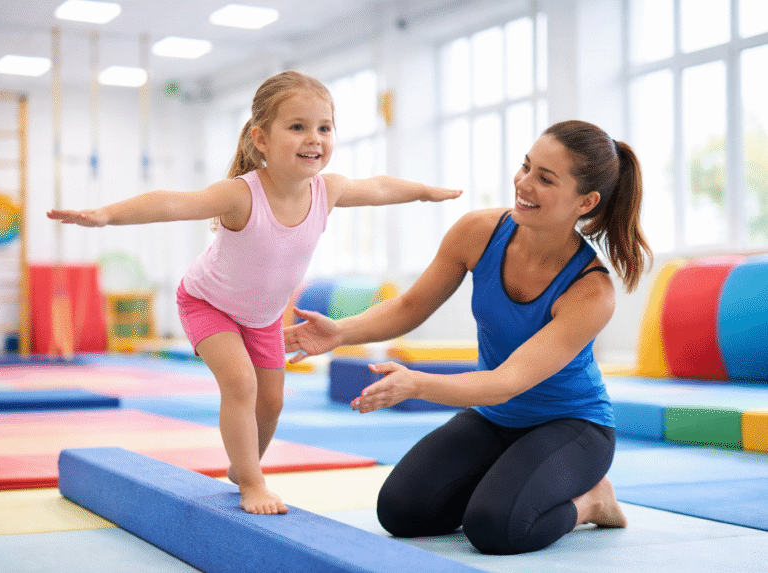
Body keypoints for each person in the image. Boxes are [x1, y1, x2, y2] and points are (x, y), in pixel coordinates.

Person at [47, 70, 461, 516]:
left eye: (324, 128)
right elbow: (173, 203)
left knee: (273, 402)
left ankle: (242, 465)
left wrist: (424, 193)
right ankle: (251, 481)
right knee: (240, 383)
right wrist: (107, 214)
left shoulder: (328, 189)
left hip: (261, 316)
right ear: (261, 139)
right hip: (209, 304)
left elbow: (378, 187)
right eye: (298, 127)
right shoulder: (241, 195)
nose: (314, 138)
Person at [285, 119, 651, 553]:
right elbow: (410, 306)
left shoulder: (590, 291)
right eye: (526, 167)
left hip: (571, 427)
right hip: (496, 420)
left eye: (545, 179)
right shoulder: (480, 231)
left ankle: (593, 501)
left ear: (585, 201)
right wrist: (340, 331)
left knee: (496, 528)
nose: (523, 183)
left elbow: (507, 381)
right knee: (402, 512)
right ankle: (511, 473)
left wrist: (416, 383)